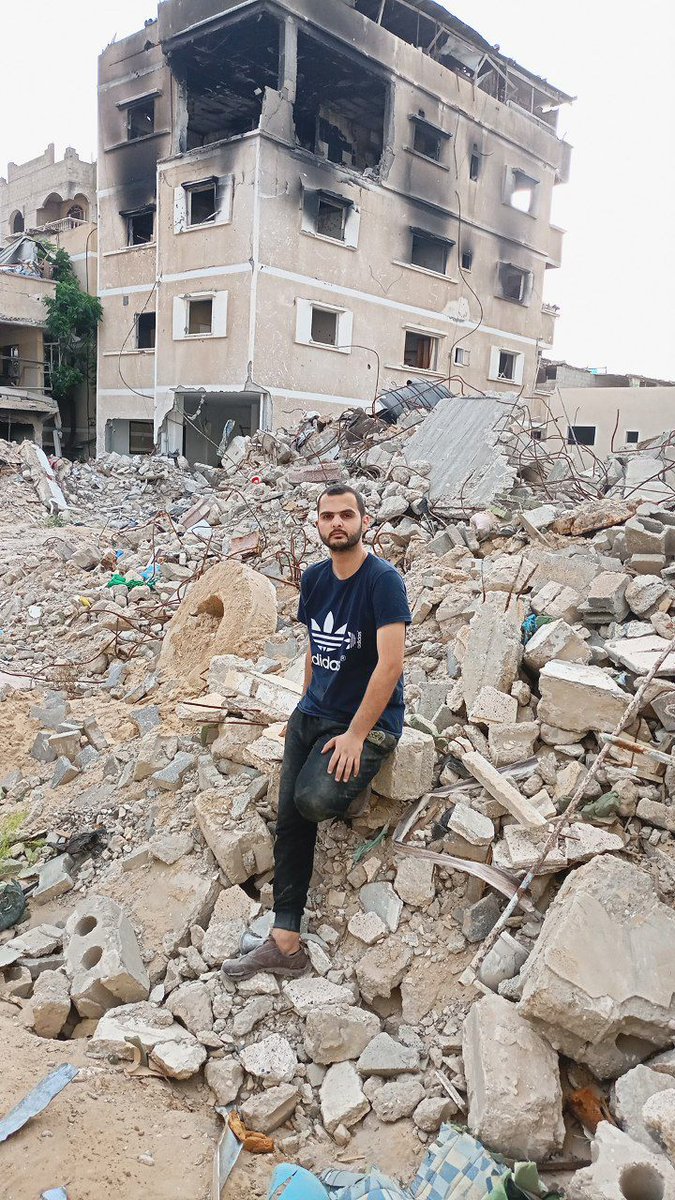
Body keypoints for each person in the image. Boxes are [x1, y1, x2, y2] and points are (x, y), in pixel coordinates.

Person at [221, 484, 411, 979]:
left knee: (312, 802)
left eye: (347, 515)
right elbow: (313, 648)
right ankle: (285, 942)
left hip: (365, 724)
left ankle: (351, 786)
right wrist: (302, 706)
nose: (337, 524)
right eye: (328, 516)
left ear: (364, 522)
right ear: (319, 524)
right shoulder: (314, 579)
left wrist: (355, 735)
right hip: (312, 714)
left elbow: (390, 666)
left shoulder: (383, 582)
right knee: (289, 820)